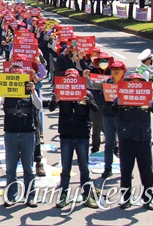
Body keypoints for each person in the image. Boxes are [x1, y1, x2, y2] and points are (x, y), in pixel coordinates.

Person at [0, 64, 42, 207]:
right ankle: (11, 195)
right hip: (11, 132)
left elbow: (38, 106)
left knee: (28, 168)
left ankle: (30, 196)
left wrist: (33, 92)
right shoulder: (5, 89)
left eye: (19, 77)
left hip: (27, 132)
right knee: (11, 168)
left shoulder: (29, 89)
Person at [49, 69, 99, 209]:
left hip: (82, 134)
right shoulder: (60, 93)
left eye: (73, 78)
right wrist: (55, 100)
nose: (71, 81)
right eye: (68, 78)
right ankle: (63, 195)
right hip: (66, 134)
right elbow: (51, 108)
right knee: (66, 168)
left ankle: (87, 195)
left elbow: (95, 109)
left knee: (84, 168)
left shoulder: (87, 93)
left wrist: (88, 101)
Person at [112, 73, 153, 211]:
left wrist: (152, 106)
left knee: (146, 171)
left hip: (143, 140)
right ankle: (126, 199)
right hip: (126, 139)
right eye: (132, 81)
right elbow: (112, 110)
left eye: (138, 82)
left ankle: (148, 199)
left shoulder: (148, 98)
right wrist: (118, 104)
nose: (135, 84)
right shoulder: (120, 97)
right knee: (126, 171)